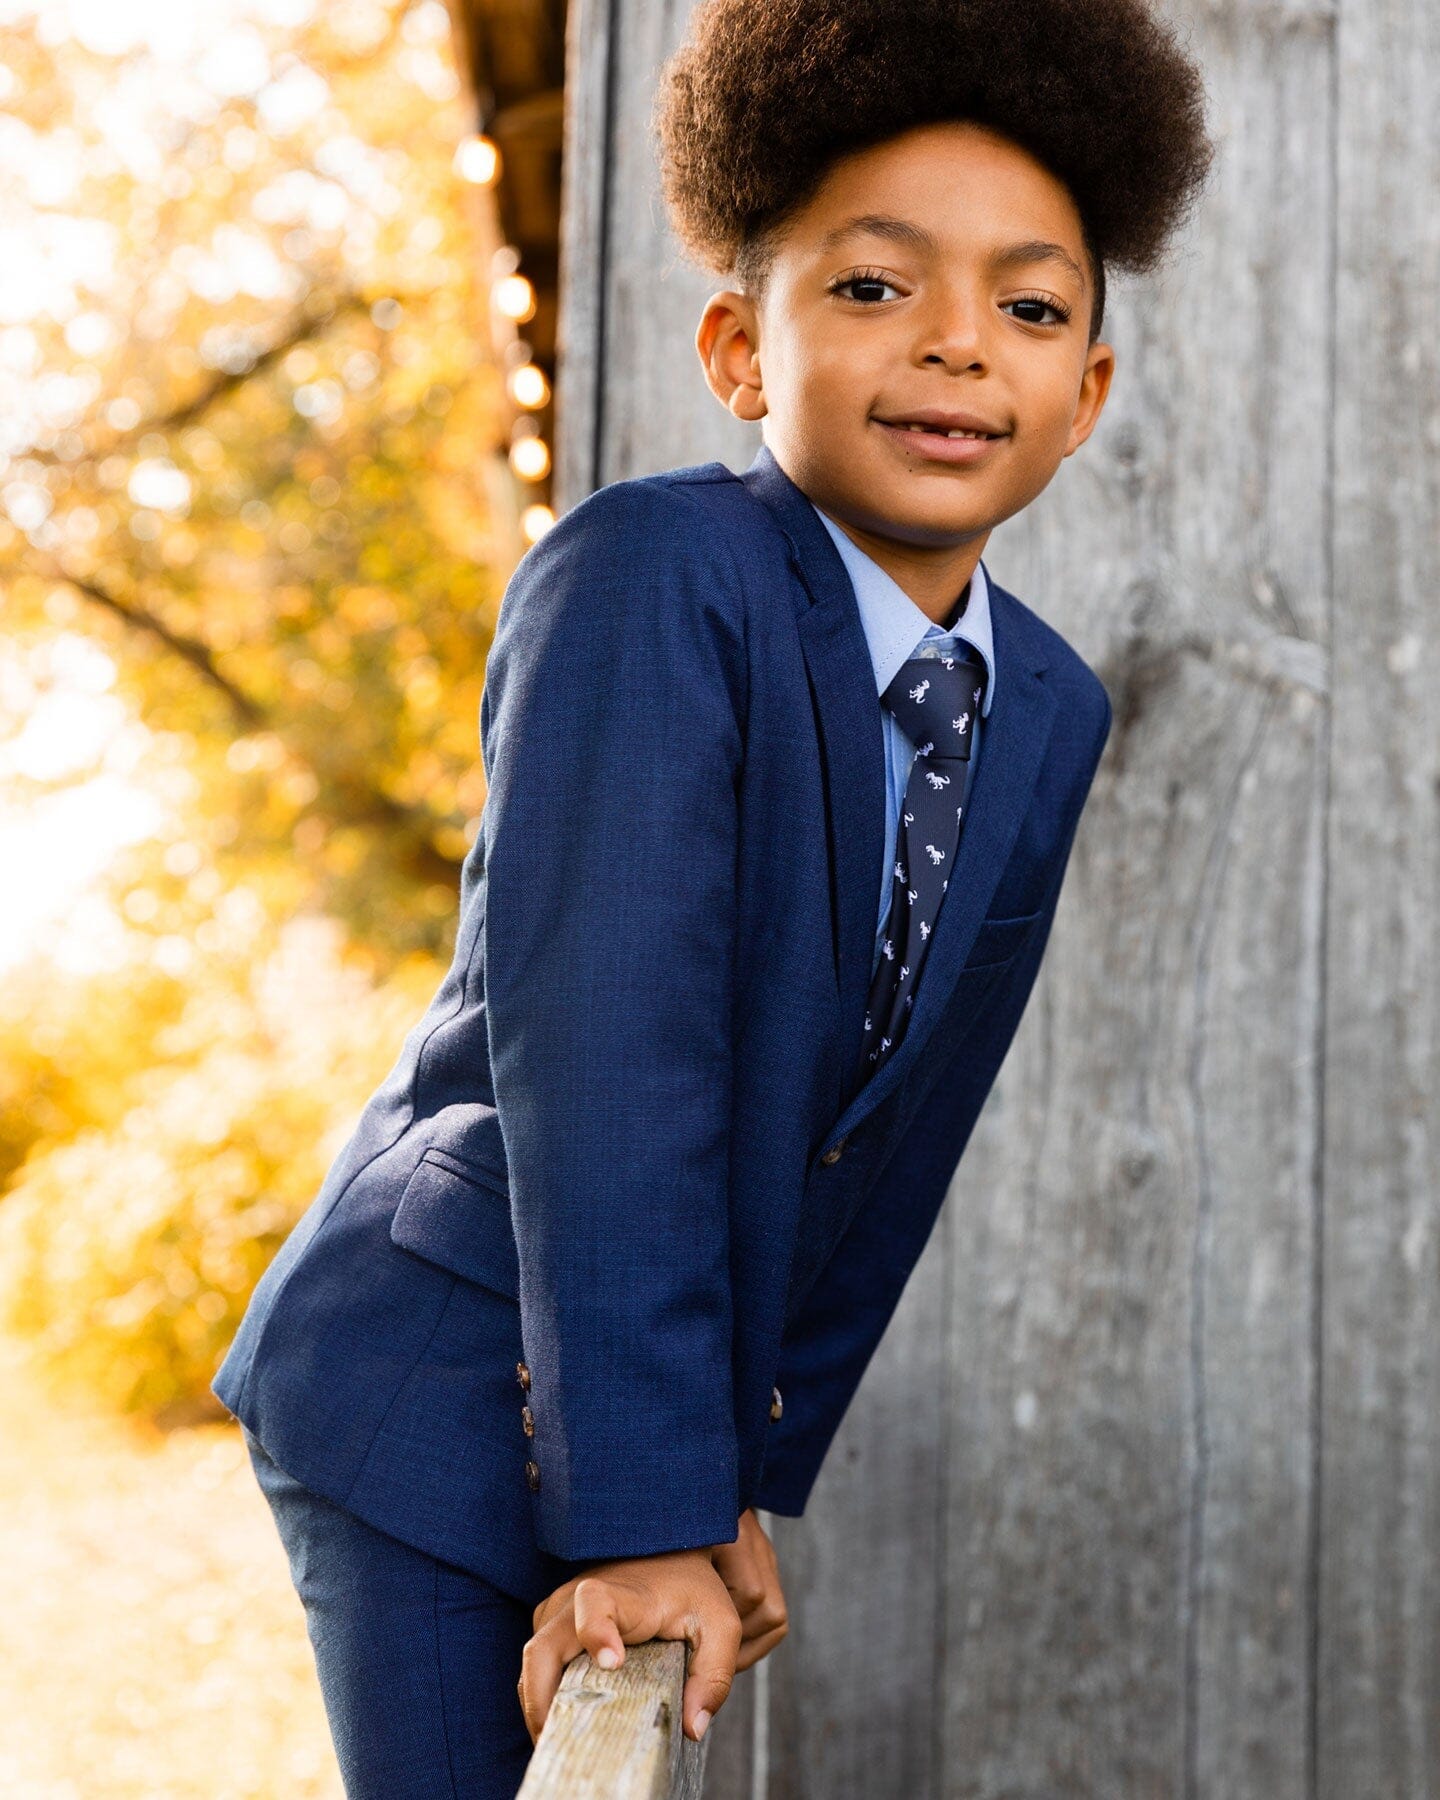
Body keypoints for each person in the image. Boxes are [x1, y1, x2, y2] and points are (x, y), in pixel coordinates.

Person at [213, 0, 1215, 1792]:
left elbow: (884, 1143)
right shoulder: (655, 579)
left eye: (1032, 307)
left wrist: (737, 1477)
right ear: (742, 349)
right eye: (874, 288)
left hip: (648, 1410)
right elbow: (610, 1068)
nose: (960, 348)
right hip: (440, 1377)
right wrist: (644, 1510)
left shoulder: (1047, 706)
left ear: (1089, 395)